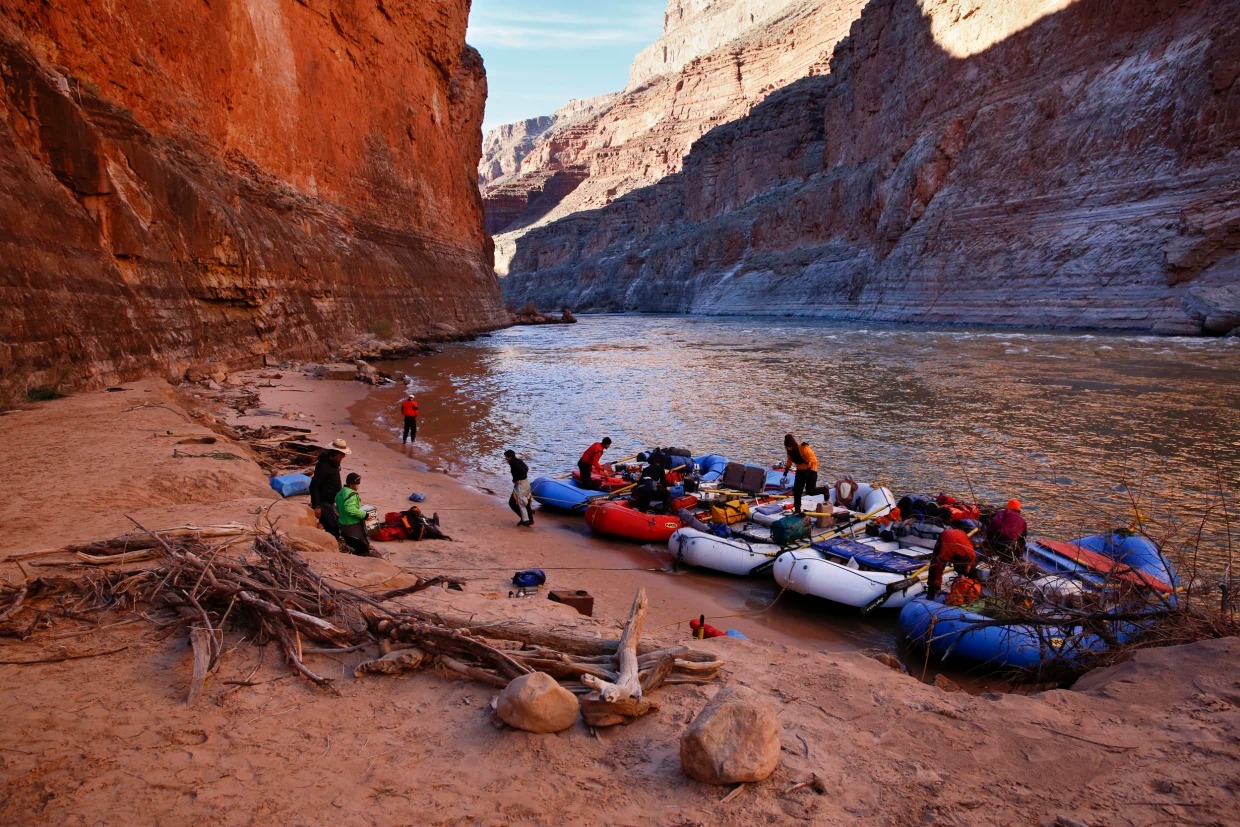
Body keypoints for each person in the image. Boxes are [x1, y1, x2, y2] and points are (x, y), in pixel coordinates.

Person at [308, 438, 350, 539]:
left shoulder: (334, 462)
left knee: (336, 523)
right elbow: (314, 486)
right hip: (323, 502)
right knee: (333, 528)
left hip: (330, 501)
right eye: (342, 454)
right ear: (336, 453)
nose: (343, 456)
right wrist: (316, 506)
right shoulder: (324, 466)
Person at [926, 526, 977, 600]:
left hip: (961, 534)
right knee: (934, 566)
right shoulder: (945, 553)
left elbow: (970, 564)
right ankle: (931, 592)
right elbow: (937, 569)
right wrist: (937, 587)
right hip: (946, 535)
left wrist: (964, 574)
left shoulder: (971, 555)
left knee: (971, 571)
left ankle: (969, 587)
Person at [782, 434, 823, 514]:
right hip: (800, 471)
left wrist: (811, 471)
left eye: (790, 446)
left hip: (810, 470)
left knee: (810, 491)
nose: (789, 448)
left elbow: (814, 461)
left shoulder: (804, 448)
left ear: (793, 444)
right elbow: (789, 460)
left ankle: (825, 489)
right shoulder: (789, 451)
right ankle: (797, 509)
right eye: (787, 447)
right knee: (797, 491)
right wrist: (787, 469)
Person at [335, 472, 372, 556]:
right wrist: (365, 515)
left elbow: (338, 507)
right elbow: (350, 510)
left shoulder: (340, 492)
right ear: (353, 484)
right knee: (363, 547)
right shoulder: (352, 494)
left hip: (343, 524)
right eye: (358, 484)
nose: (358, 486)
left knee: (352, 543)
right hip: (353, 525)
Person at [505, 449, 534, 527]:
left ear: (510, 457)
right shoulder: (519, 461)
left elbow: (520, 471)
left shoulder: (513, 463)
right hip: (526, 483)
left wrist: (517, 479)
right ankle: (529, 519)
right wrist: (521, 477)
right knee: (526, 501)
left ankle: (525, 520)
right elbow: (526, 469)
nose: (506, 459)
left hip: (521, 485)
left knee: (513, 502)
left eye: (506, 457)